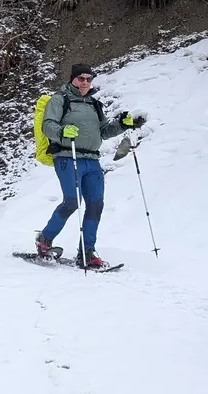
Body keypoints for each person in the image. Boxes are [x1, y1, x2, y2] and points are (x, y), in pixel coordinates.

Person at [35, 63, 146, 268]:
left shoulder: (94, 104)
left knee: (95, 204)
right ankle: (44, 240)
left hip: (92, 160)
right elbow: (48, 125)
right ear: (72, 79)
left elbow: (103, 131)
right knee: (71, 202)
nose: (85, 82)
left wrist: (123, 125)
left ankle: (87, 252)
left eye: (89, 78)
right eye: (81, 78)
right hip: (68, 156)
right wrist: (62, 132)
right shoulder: (59, 100)